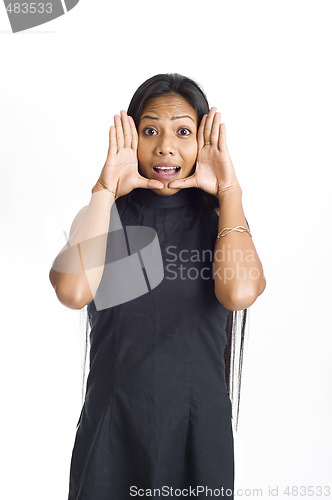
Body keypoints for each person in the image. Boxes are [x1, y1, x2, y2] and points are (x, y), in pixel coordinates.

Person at [49, 73, 266, 499]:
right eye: (150, 130)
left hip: (197, 431)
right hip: (114, 427)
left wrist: (229, 190)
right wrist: (104, 190)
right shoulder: (100, 216)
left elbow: (239, 294)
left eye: (183, 132)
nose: (166, 146)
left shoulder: (223, 225)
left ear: (203, 142)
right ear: (131, 138)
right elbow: (72, 292)